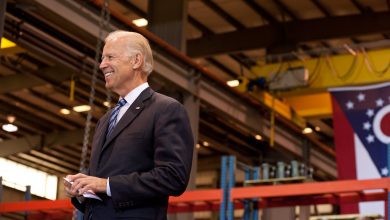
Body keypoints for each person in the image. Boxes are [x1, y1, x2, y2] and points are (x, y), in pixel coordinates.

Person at [64, 30, 194, 220]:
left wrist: (106, 185)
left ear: (136, 61)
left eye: (110, 57)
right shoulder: (106, 120)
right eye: (102, 58)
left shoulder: (166, 109)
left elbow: (173, 177)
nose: (102, 65)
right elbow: (103, 181)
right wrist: (83, 188)